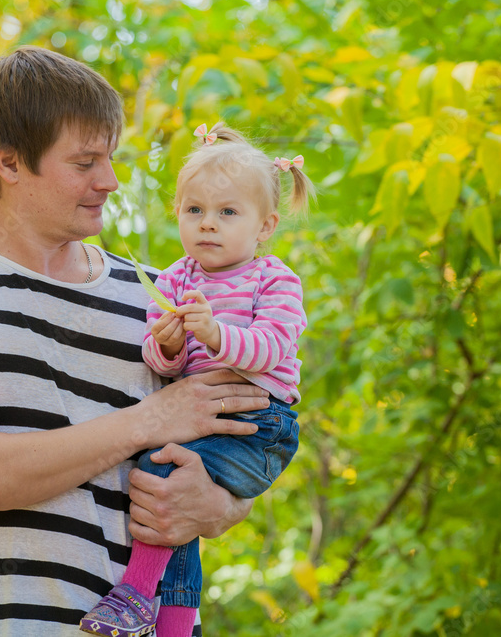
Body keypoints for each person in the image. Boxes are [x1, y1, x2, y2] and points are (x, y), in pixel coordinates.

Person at [0, 47, 270, 636]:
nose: (109, 181)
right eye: (85, 163)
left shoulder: (166, 296)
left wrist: (220, 506)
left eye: (109, 158)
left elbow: (241, 438)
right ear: (8, 162)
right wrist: (149, 421)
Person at [80, 124, 315, 637]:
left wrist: (214, 334)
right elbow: (165, 367)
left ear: (265, 225)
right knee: (173, 491)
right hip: (199, 425)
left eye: (228, 212)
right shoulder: (173, 279)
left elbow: (271, 347)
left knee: (162, 472)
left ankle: (136, 593)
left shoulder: (274, 279)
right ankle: (173, 625)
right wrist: (166, 346)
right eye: (195, 210)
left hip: (260, 426)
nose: (208, 223)